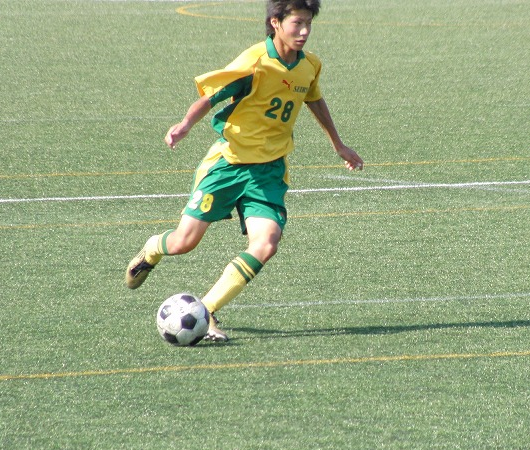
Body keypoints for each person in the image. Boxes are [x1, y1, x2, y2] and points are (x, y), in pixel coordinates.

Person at [125, 0, 364, 342]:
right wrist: (185, 124)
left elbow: (314, 99)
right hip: (228, 164)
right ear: (275, 22)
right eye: (297, 23)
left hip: (268, 172)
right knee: (183, 242)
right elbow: (212, 97)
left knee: (266, 243)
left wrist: (338, 144)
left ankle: (206, 311)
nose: (304, 31)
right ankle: (152, 249)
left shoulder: (309, 65)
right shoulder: (255, 62)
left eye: (308, 23)